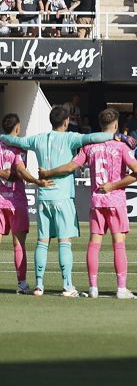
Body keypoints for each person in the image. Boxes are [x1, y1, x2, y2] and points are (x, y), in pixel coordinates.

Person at [0, 106, 124, 297]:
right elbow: (94, 138)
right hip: (63, 197)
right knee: (64, 242)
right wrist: (115, 136)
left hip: (43, 197)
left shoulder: (37, 139)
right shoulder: (71, 137)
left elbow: (14, 140)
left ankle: (39, 286)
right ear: (66, 122)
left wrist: (2, 137)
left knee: (42, 242)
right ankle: (68, 286)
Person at [37, 108, 137, 299]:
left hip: (96, 200)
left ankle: (93, 287)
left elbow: (70, 166)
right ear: (116, 125)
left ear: (100, 126)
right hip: (115, 200)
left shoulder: (89, 147)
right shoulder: (121, 147)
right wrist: (116, 184)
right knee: (118, 243)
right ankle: (121, 289)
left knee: (94, 244)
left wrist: (48, 173)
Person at [0, 113, 54, 294]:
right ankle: (22, 284)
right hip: (16, 201)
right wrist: (37, 182)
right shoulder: (19, 146)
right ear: (17, 128)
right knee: (18, 244)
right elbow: (21, 171)